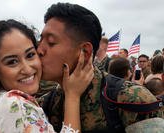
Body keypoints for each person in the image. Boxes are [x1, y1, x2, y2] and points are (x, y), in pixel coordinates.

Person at [36, 2, 164, 133]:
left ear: (85, 52)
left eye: (51, 42)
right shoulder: (45, 104)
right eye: (40, 40)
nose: (39, 50)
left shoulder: (132, 99)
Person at [0, 19, 94, 133]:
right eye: (12, 62)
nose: (27, 69)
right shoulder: (15, 104)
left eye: (30, 55)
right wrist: (73, 96)